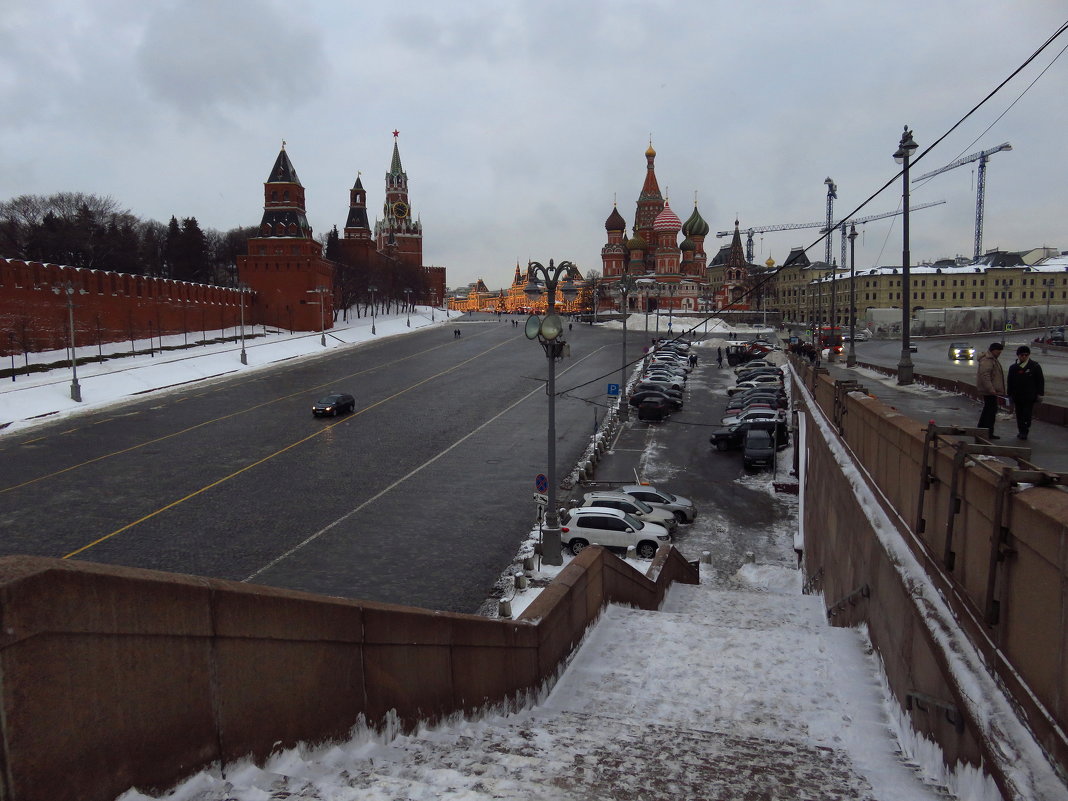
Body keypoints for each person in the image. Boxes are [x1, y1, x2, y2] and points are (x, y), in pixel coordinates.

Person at [1007, 345, 1044, 440]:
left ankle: (1025, 430)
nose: (1024, 357)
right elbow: (1010, 382)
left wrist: (1040, 394)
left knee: (1027, 414)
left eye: (1026, 355)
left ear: (1028, 355)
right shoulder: (1013, 367)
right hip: (1017, 396)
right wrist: (1009, 394)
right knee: (1019, 414)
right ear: (1018, 356)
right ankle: (1021, 431)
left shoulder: (1035, 366)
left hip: (1029, 396)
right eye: (1021, 355)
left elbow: (1040, 381)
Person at [976, 342, 1005, 439]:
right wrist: (991, 389)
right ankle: (984, 432)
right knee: (989, 412)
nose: (999, 353)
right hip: (990, 391)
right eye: (998, 351)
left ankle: (985, 432)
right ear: (993, 350)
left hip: (991, 391)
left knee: (989, 411)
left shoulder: (992, 359)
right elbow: (985, 376)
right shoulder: (987, 360)